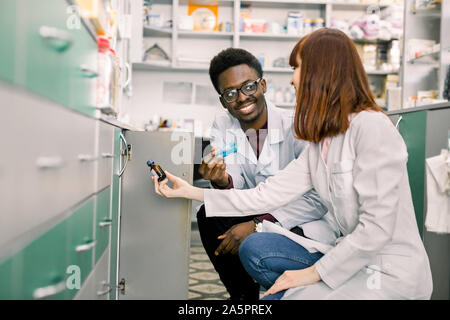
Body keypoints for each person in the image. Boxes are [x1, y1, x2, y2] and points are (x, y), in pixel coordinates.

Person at [153, 28, 433, 300]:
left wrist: (313, 272)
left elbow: (376, 230)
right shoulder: (325, 139)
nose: (292, 80)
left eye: (296, 68)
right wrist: (188, 190)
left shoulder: (372, 127)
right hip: (349, 261)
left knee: (284, 287)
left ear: (322, 71)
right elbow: (266, 194)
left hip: (388, 272)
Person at [195, 48, 339, 300]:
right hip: (254, 206)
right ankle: (243, 296)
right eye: (230, 93)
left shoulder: (297, 124)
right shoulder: (223, 125)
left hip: (300, 221)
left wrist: (258, 224)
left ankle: (295, 284)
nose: (241, 98)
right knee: (208, 213)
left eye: (248, 87)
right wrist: (220, 180)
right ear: (222, 100)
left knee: (255, 247)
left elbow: (317, 199)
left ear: (262, 85)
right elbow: (235, 182)